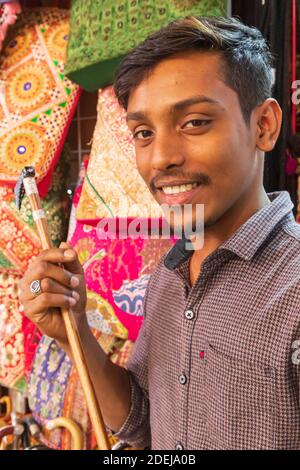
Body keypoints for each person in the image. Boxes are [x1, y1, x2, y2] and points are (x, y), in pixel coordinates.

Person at [19, 16, 300, 450]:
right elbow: (143, 422)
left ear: (263, 125)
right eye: (144, 133)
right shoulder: (169, 277)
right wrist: (72, 330)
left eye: (194, 122)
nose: (161, 158)